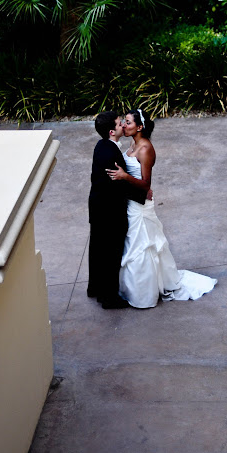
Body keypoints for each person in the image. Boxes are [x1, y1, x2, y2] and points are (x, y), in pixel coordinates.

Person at [106, 108, 217, 308]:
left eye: (128, 122)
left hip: (140, 206)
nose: (124, 125)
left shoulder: (146, 148)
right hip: (131, 201)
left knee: (141, 247)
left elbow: (145, 184)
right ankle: (131, 289)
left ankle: (143, 295)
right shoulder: (133, 143)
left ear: (139, 127)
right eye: (124, 121)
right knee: (132, 246)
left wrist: (124, 176)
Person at [87, 111, 150, 309]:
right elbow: (117, 185)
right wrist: (143, 193)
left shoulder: (102, 145)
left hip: (98, 207)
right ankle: (109, 298)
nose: (123, 124)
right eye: (119, 122)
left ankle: (95, 288)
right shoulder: (110, 154)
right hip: (109, 212)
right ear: (112, 131)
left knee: (97, 250)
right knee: (111, 254)